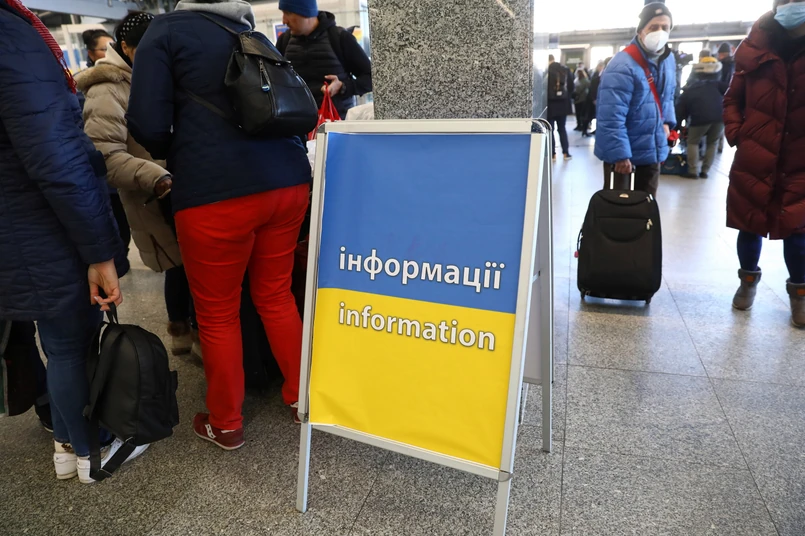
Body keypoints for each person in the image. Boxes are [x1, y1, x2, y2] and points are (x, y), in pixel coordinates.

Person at [128, 0, 314, 448]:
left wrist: (187, 144)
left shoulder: (164, 32)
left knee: (217, 312)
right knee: (277, 295)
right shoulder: (254, 34)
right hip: (288, 183)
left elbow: (147, 126)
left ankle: (226, 422)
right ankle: (303, 400)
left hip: (214, 192)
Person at [0, 0, 146, 483]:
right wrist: (99, 250)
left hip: (16, 221)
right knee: (71, 343)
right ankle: (92, 451)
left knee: (57, 341)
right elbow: (57, 157)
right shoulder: (11, 35)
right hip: (43, 222)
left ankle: (67, 447)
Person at [77, 12, 195, 355]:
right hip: (154, 193)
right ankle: (184, 329)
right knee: (178, 265)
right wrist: (156, 176)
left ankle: (192, 329)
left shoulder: (161, 75)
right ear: (125, 47)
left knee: (189, 265)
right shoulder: (106, 88)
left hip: (182, 186)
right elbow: (104, 155)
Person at [724, 0, 805, 327]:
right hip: (756, 152)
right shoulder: (756, 44)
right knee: (750, 222)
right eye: (785, 0)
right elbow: (732, 98)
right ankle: (747, 281)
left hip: (800, 157)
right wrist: (738, 134)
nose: (792, 6)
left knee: (798, 230)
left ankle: (800, 293)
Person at [594, 2, 677, 197]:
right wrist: (620, 155)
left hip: (652, 149)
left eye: (665, 27)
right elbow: (611, 114)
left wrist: (667, 122)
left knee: (646, 205)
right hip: (626, 155)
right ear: (641, 30)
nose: (660, 32)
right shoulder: (622, 65)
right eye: (653, 27)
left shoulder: (668, 60)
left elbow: (668, 96)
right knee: (618, 208)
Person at [276, 0, 372, 120]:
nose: (284, 21)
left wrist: (343, 87)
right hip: (297, 123)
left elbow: (371, 78)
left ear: (306, 13)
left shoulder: (339, 38)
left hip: (335, 123)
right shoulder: (284, 41)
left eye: (288, 13)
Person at [676, 57, 726, 179]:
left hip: (699, 118)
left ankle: (693, 171)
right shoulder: (720, 85)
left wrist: (678, 125)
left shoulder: (691, 88)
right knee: (712, 143)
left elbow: (681, 109)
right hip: (719, 118)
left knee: (693, 142)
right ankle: (705, 171)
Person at [547, 55, 574, 161]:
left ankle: (552, 154)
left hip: (550, 104)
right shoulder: (565, 70)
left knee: (550, 130)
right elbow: (571, 87)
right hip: (563, 104)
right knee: (562, 128)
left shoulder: (546, 71)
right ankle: (566, 153)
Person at [717, 42, 735, 154]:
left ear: (722, 54)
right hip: (729, 96)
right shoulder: (734, 64)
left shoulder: (722, 65)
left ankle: (719, 144)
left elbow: (722, 82)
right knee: (721, 123)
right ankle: (720, 145)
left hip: (721, 95)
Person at [585, 60, 606, 136]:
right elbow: (593, 87)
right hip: (594, 98)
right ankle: (585, 129)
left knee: (595, 115)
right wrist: (594, 98)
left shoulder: (599, 75)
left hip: (597, 98)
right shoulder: (596, 75)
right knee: (590, 115)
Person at [574, 69, 591, 136]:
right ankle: (581, 126)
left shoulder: (578, 81)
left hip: (579, 99)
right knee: (581, 114)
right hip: (582, 99)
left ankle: (580, 125)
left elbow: (577, 89)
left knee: (579, 114)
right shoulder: (585, 80)